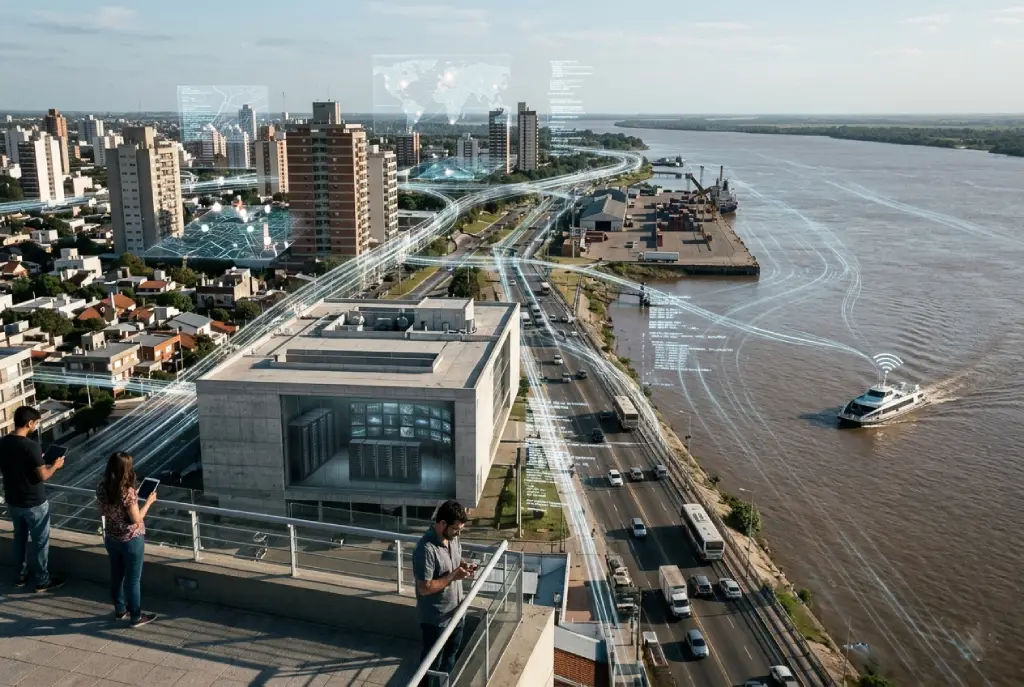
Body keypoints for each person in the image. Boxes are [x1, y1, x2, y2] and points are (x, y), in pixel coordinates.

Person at [0, 405, 65, 591]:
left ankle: (19, 577)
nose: (36, 425)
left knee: (19, 539)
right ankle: (42, 580)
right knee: (40, 542)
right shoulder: (31, 446)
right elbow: (43, 475)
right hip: (34, 503)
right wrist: (55, 465)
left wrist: (36, 460)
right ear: (29, 423)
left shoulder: (3, 442)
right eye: (36, 422)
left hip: (13, 500)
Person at [413, 500, 477, 682]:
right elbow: (424, 588)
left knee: (451, 657)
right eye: (456, 529)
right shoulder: (426, 550)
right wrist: (453, 577)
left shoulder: (453, 538)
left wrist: (465, 565)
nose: (459, 533)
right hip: (436, 620)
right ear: (442, 524)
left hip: (456, 614)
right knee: (431, 665)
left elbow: (456, 559)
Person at [96, 451, 157, 627]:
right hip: (130, 540)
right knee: (133, 579)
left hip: (111, 538)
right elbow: (136, 520)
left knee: (116, 575)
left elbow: (101, 512)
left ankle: (120, 610)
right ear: (126, 469)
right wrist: (148, 502)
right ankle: (136, 616)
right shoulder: (128, 492)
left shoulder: (101, 487)